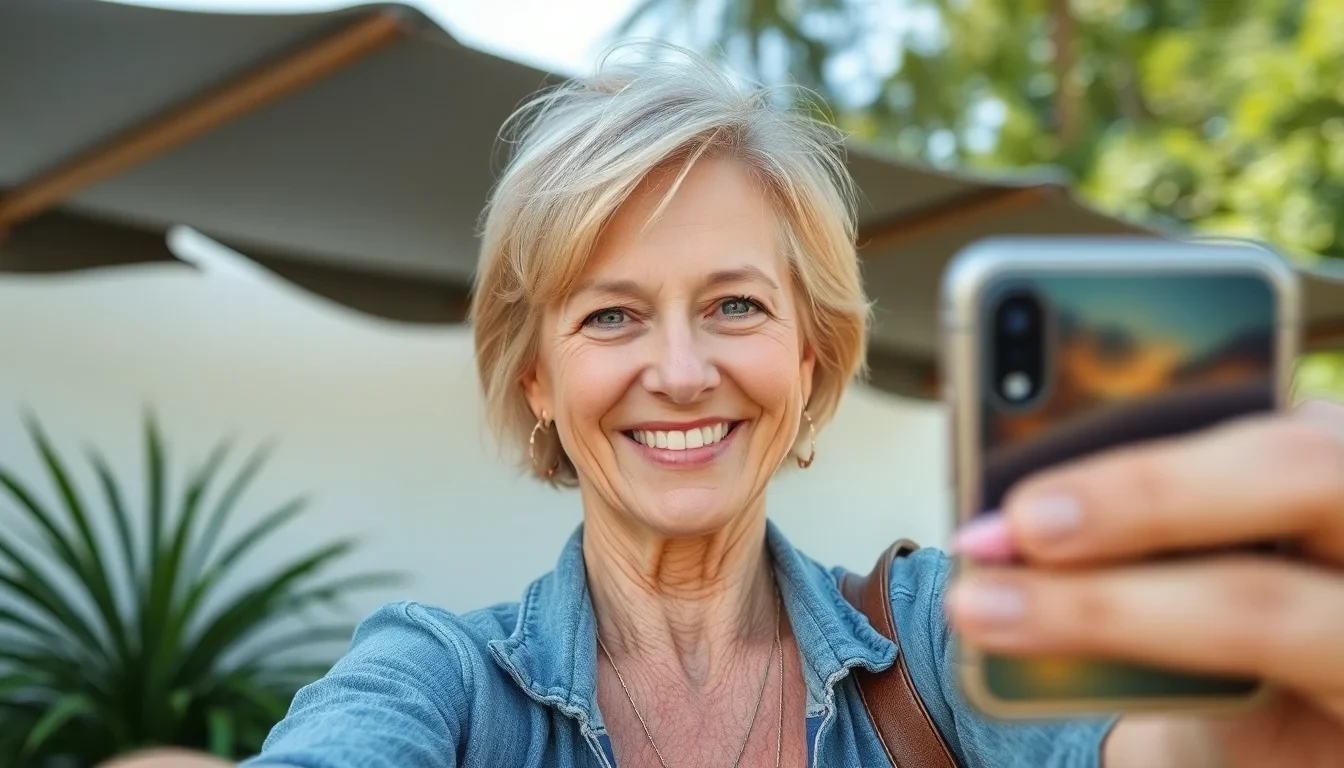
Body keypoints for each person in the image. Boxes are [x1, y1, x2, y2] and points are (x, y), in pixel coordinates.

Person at [120, 44, 1344, 768]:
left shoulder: (936, 635)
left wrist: (1253, 723)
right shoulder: (443, 680)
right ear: (536, 378)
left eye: (737, 307)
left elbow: (1160, 750)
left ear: (811, 356)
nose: (684, 369)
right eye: (610, 315)